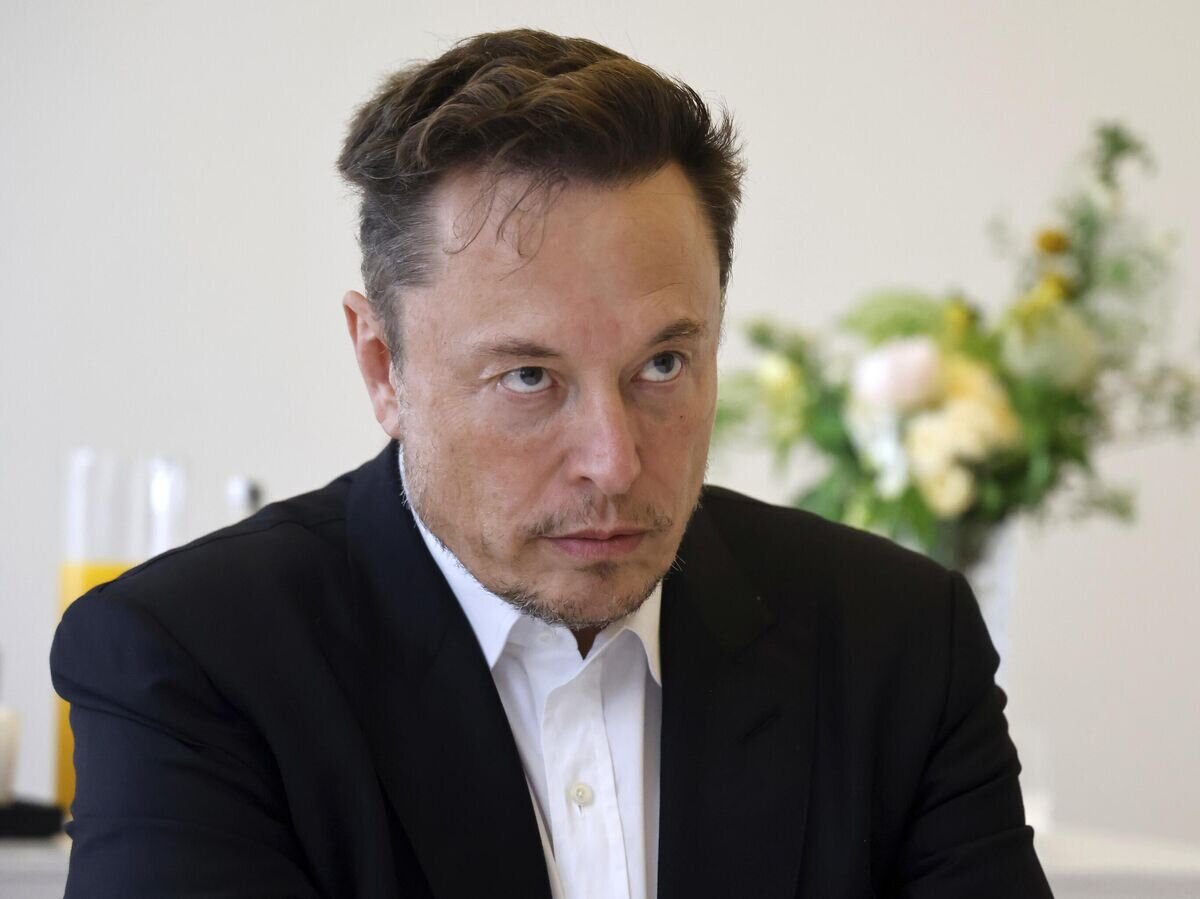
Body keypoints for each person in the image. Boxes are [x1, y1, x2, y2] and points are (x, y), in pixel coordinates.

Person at [50, 28, 1054, 899]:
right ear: (383, 367)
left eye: (663, 364)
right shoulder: (191, 666)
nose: (613, 463)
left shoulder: (900, 645)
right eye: (529, 377)